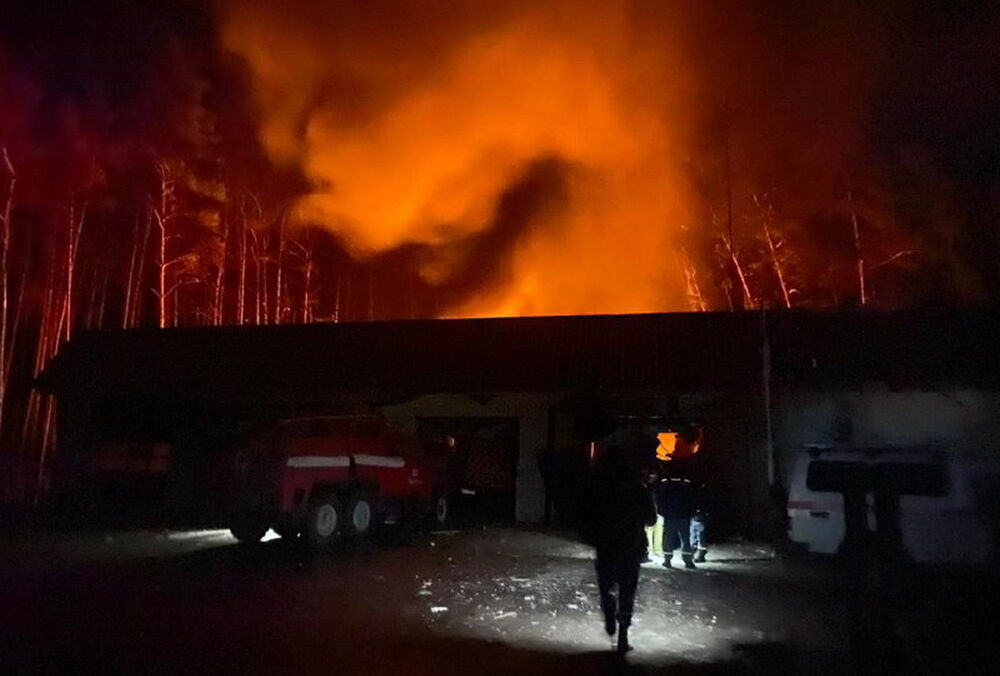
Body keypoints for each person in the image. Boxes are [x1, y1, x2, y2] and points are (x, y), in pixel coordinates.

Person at [582, 430, 657, 653]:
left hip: (605, 546)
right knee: (627, 589)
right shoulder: (637, 488)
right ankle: (623, 633)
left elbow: (585, 516)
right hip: (630, 546)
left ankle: (609, 617)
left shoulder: (597, 489)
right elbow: (651, 519)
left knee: (606, 586)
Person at [654, 472, 701, 569]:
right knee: (685, 539)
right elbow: (692, 499)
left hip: (670, 517)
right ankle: (688, 561)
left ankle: (667, 560)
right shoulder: (686, 484)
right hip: (684, 516)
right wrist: (691, 512)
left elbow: (660, 500)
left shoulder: (666, 484)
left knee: (668, 538)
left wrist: (662, 512)